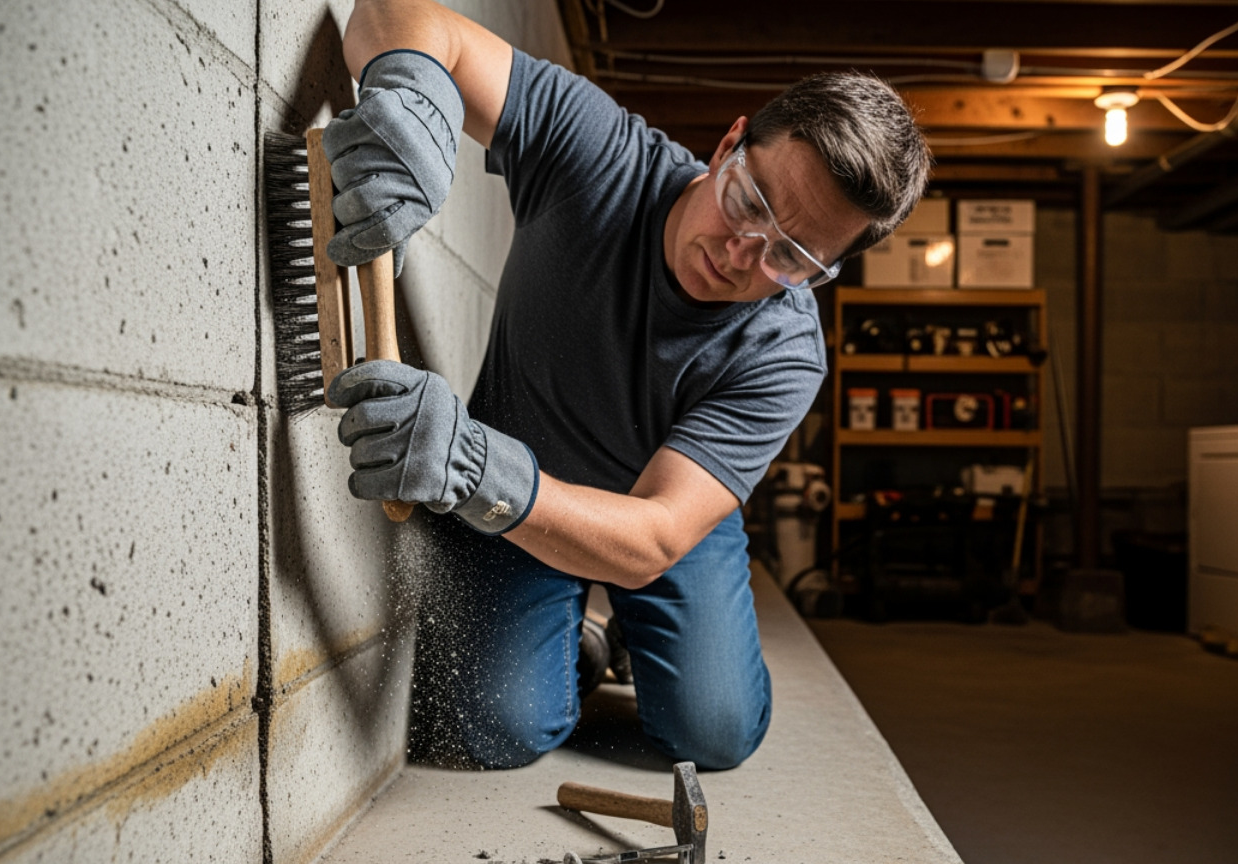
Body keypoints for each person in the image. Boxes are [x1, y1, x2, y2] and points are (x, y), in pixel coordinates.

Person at [322, 0, 929, 770]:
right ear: (730, 143)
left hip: (653, 513)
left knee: (715, 732)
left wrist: (470, 465)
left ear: (826, 274)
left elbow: (653, 538)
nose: (742, 254)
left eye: (792, 258)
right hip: (514, 486)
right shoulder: (599, 152)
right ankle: (584, 640)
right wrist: (416, 102)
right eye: (749, 200)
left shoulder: (785, 351)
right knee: (490, 730)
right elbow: (396, 15)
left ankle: (637, 634)